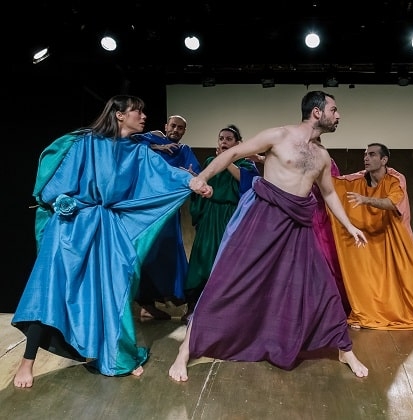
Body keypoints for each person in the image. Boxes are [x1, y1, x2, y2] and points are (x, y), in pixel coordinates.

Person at [168, 91, 369, 381]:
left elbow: (328, 193)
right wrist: (202, 177)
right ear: (316, 112)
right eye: (333, 110)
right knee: (227, 282)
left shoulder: (323, 156)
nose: (338, 116)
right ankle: (186, 349)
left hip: (298, 227)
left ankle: (344, 349)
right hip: (263, 219)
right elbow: (232, 153)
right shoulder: (279, 135)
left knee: (322, 286)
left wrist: (349, 226)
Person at [11, 95, 201, 388]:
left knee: (114, 289)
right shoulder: (84, 143)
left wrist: (192, 181)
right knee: (50, 289)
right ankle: (27, 361)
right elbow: (52, 188)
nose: (143, 116)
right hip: (70, 228)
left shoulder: (138, 151)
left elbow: (165, 173)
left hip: (106, 229)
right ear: (119, 115)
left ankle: (115, 355)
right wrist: (67, 202)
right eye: (138, 111)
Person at [329, 143, 413, 330]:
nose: (366, 158)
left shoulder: (395, 178)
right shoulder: (357, 179)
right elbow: (333, 184)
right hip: (369, 241)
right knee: (368, 278)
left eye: (372, 155)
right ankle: (367, 315)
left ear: (384, 160)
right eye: (365, 154)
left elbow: (392, 203)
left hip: (396, 237)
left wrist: (365, 199)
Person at [181, 124, 260, 323]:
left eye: (229, 139)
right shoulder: (210, 162)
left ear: (238, 144)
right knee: (202, 259)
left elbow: (246, 183)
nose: (224, 142)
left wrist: (227, 160)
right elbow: (203, 186)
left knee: (226, 261)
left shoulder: (246, 164)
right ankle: (193, 307)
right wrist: (195, 180)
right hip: (210, 216)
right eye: (221, 138)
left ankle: (224, 311)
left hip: (231, 217)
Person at [133, 115, 202, 320]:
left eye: (180, 128)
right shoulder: (151, 139)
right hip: (147, 207)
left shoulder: (184, 150)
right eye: (173, 126)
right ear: (165, 126)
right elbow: (129, 144)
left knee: (169, 253)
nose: (176, 130)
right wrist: (156, 147)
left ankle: (172, 299)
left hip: (169, 210)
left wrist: (188, 174)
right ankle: (146, 304)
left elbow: (194, 173)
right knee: (147, 253)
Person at [311, 154, 352, 315]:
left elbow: (332, 189)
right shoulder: (297, 158)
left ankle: (335, 307)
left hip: (323, 217)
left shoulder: (325, 161)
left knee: (329, 261)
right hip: (304, 215)